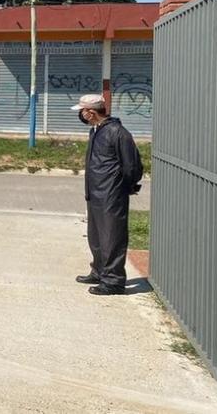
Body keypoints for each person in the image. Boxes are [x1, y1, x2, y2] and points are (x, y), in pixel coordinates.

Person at [72, 94, 144, 296]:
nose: (81, 114)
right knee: (96, 237)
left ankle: (113, 282)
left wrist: (124, 187)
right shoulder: (96, 131)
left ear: (91, 112)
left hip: (112, 195)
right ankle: (99, 271)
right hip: (95, 193)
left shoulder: (118, 133)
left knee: (112, 238)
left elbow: (132, 166)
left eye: (82, 111)